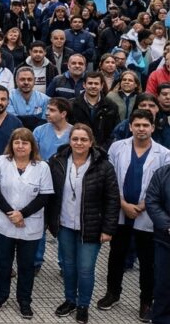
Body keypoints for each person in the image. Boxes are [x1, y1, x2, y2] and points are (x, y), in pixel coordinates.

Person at [99, 110, 170, 322]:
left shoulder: (164, 153)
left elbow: (161, 187)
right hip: (121, 210)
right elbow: (110, 178)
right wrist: (122, 204)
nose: (141, 129)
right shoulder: (117, 147)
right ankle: (113, 293)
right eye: (137, 125)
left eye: (145, 125)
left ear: (152, 127)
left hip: (146, 214)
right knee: (116, 255)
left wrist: (141, 206)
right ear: (130, 126)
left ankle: (146, 301)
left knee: (148, 262)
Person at [46, 123, 119, 324]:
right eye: (75, 139)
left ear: (91, 142)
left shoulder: (104, 166)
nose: (79, 143)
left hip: (92, 226)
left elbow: (112, 199)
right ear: (69, 141)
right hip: (65, 224)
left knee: (85, 269)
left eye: (83, 139)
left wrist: (108, 228)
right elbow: (49, 193)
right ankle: (70, 300)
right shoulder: (58, 161)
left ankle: (83, 305)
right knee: (69, 267)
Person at [0, 128, 54, 320]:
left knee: (26, 266)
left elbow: (44, 197)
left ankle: (24, 301)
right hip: (3, 222)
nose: (20, 146)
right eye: (17, 142)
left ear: (32, 146)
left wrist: (22, 214)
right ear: (11, 144)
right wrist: (11, 213)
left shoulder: (42, 167)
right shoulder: (1, 161)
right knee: (2, 263)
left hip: (29, 224)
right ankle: (0, 296)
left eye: (25, 143)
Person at [144, 161, 170, 324]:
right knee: (163, 289)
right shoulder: (162, 174)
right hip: (166, 243)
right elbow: (152, 201)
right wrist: (167, 226)